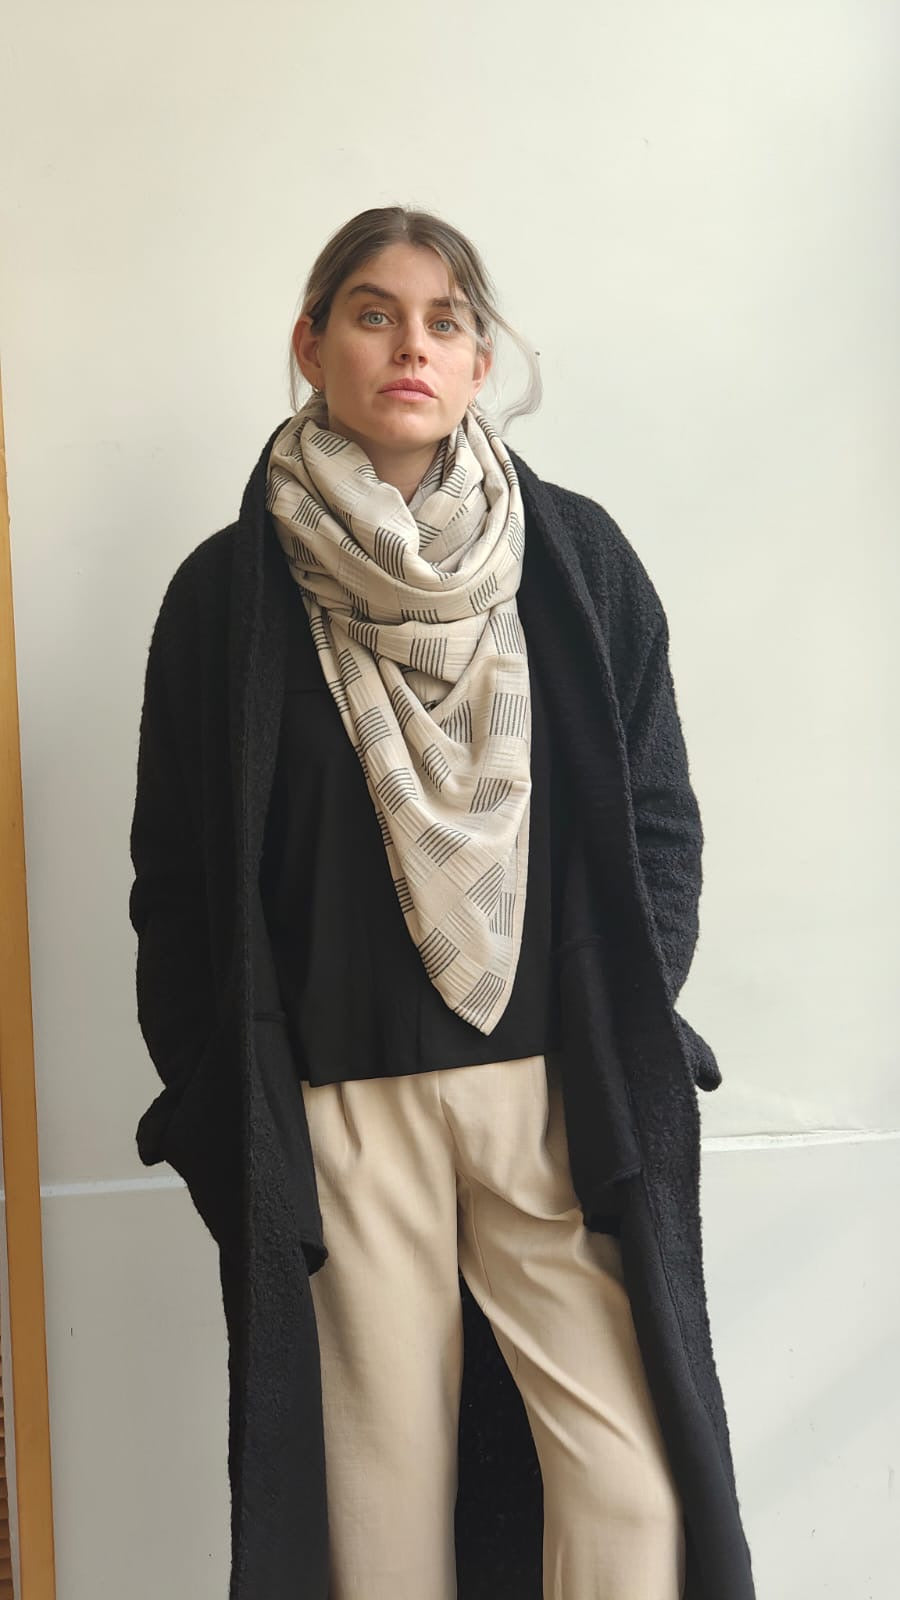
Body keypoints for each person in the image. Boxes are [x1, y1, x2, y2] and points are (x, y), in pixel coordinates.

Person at [129, 205, 757, 1600]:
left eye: (445, 320)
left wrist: (631, 1012)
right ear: (311, 346)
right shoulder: (226, 593)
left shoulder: (576, 558)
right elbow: (172, 878)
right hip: (340, 1110)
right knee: (377, 1515)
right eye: (374, 313)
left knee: (634, 1489)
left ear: (479, 362)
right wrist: (222, 1089)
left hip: (552, 1094)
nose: (411, 344)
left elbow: (658, 817)